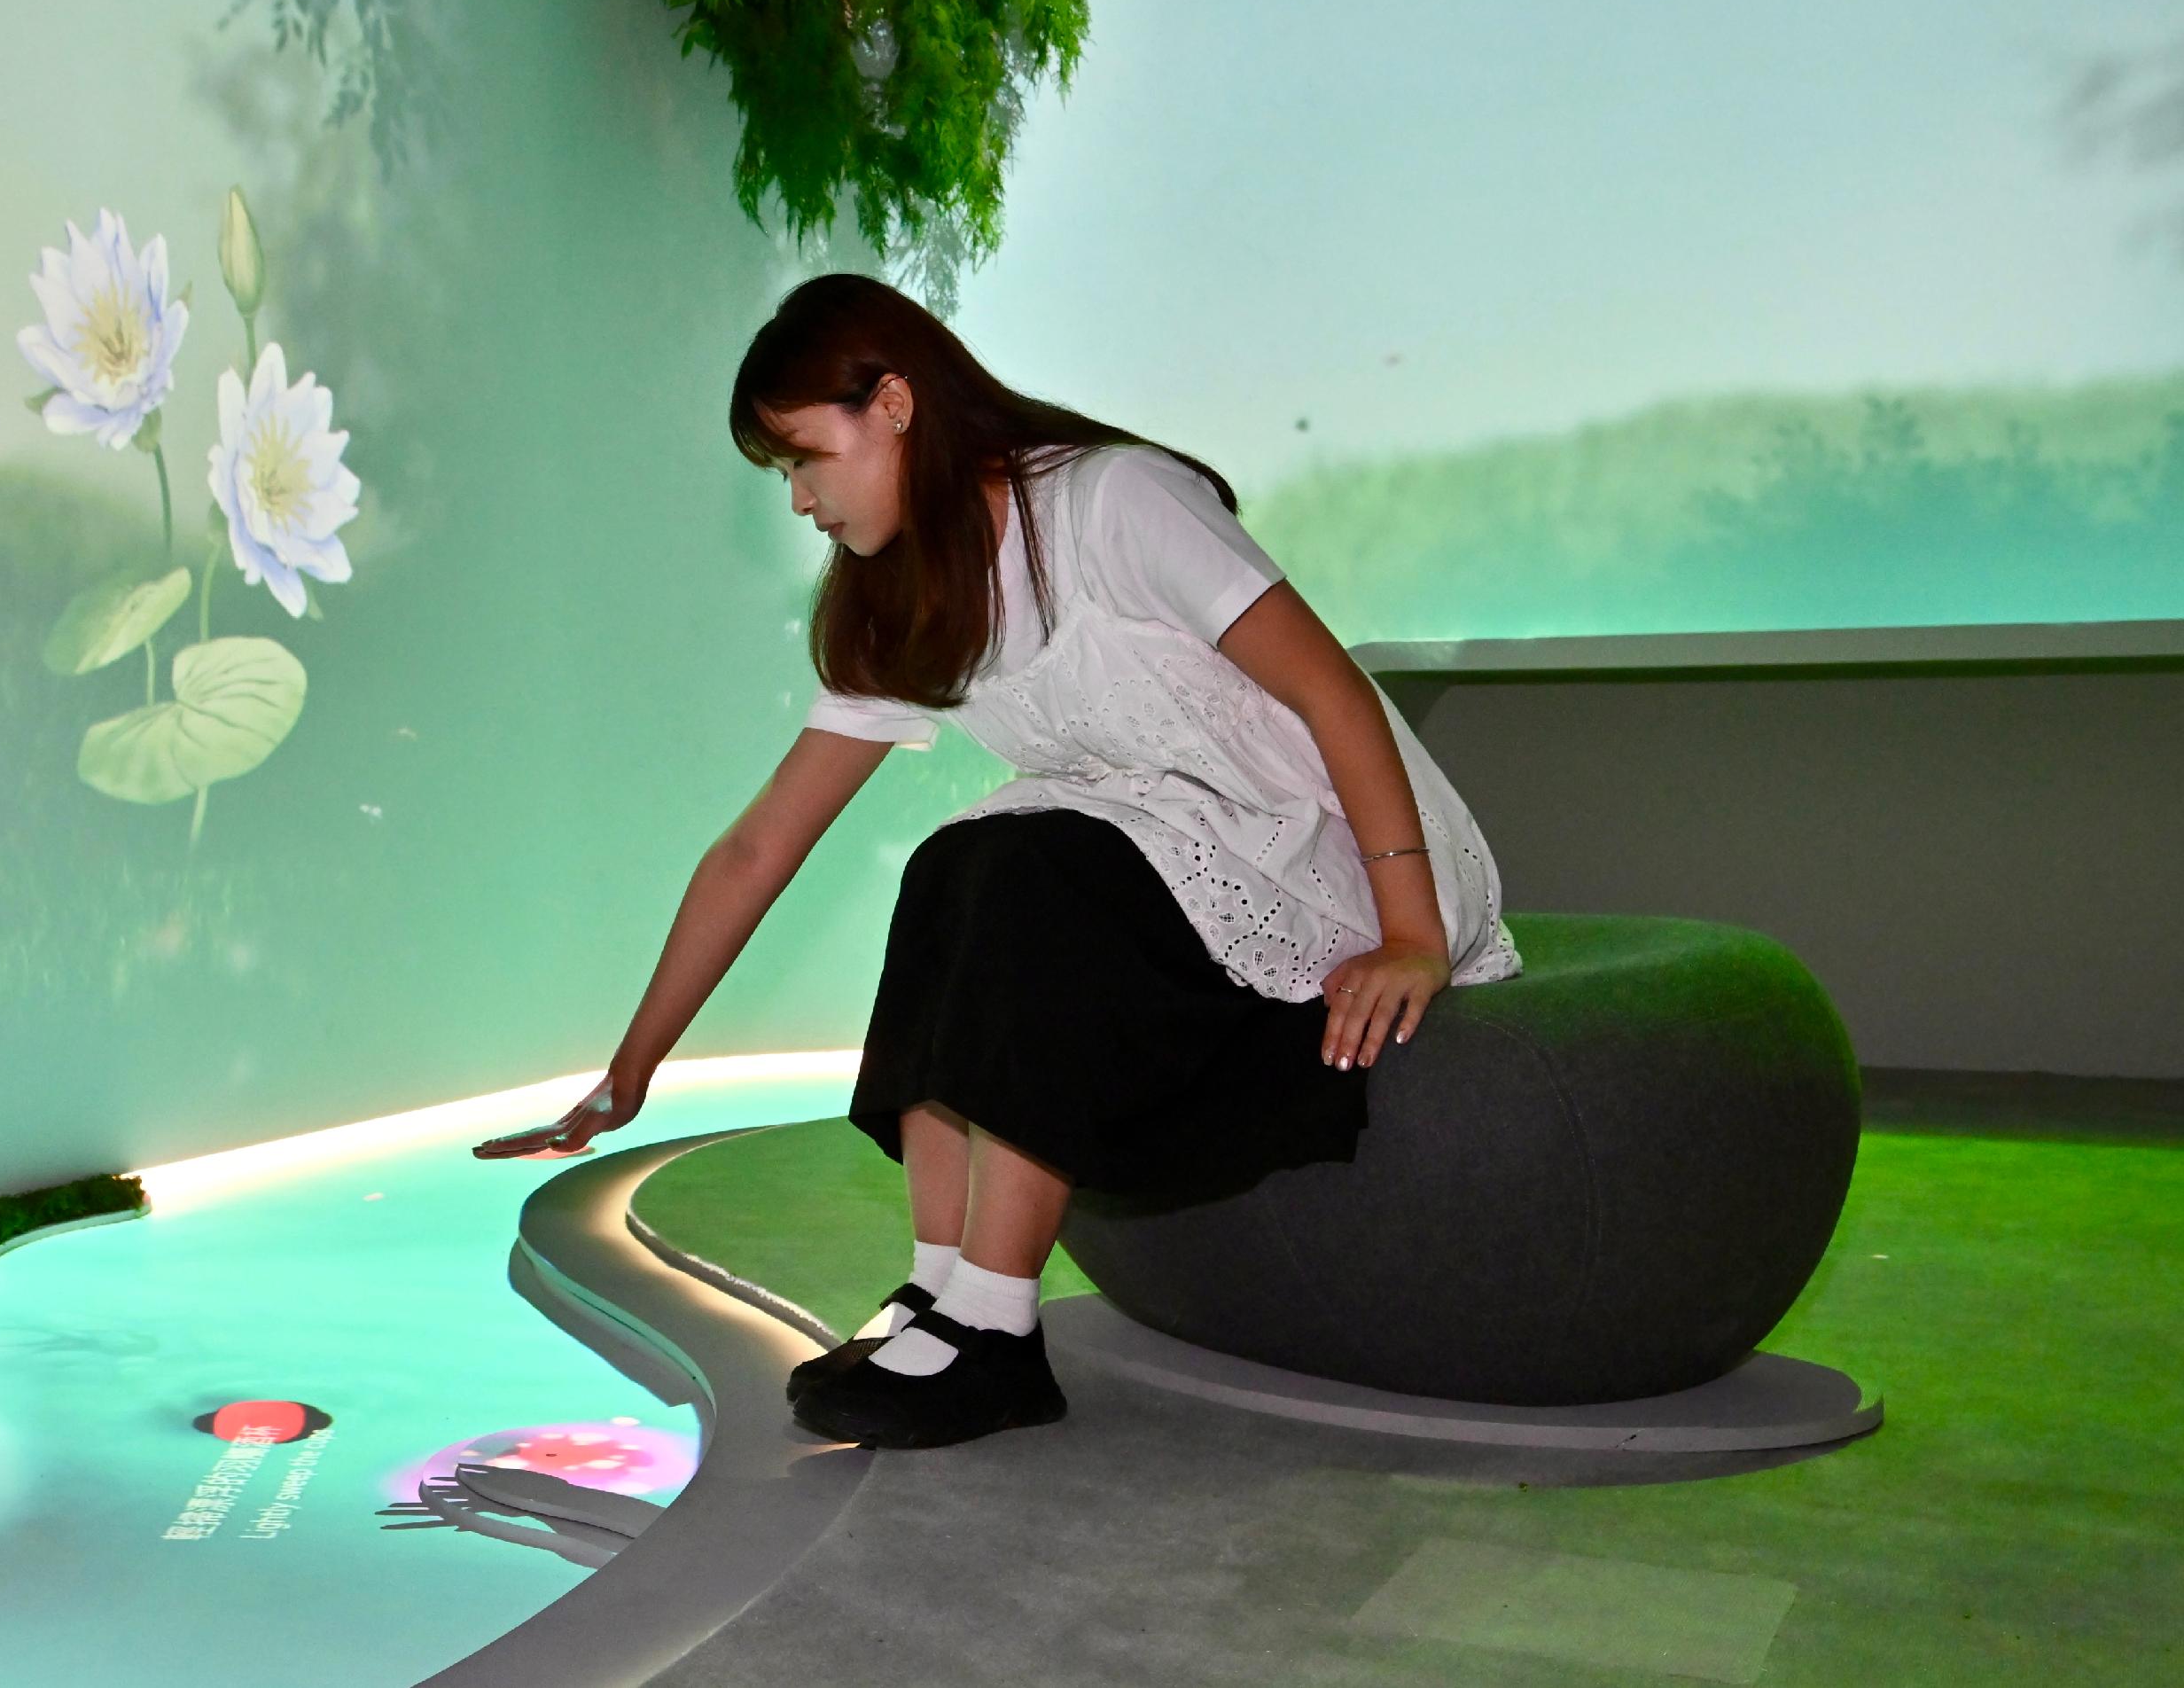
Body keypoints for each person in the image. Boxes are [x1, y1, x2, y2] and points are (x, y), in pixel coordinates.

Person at [472, 273, 1519, 1450]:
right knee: (953, 866)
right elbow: (762, 842)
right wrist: (631, 1071)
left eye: (810, 459)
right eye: (786, 478)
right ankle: (939, 1289)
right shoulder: (900, 596)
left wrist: (1413, 934)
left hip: (1335, 849)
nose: (805, 502)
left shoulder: (1117, 502)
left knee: (1026, 874)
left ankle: (998, 1331)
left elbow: (1333, 696)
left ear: (898, 406)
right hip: (1161, 847)